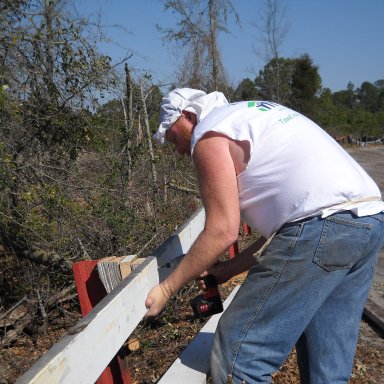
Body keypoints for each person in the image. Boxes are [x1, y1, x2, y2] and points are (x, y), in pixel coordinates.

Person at [145, 88, 384, 384]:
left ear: (189, 116)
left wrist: (166, 290)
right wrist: (227, 270)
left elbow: (222, 230)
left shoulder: (208, 134)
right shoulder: (246, 116)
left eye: (173, 137)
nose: (180, 149)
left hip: (322, 225)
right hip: (367, 219)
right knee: (326, 364)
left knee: (240, 354)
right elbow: (289, 230)